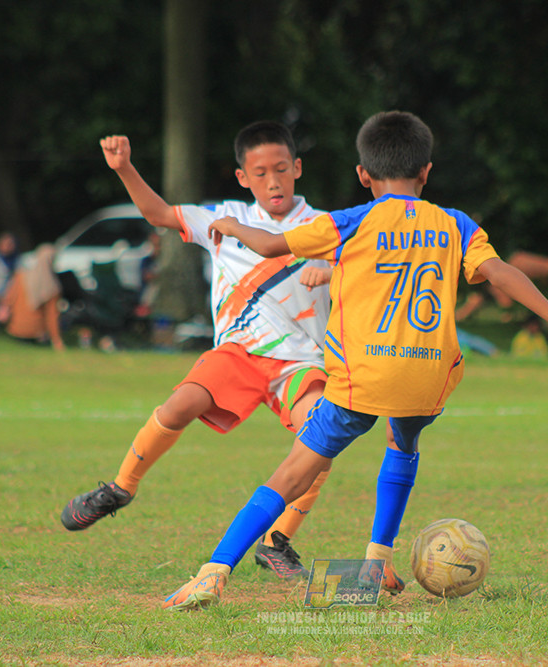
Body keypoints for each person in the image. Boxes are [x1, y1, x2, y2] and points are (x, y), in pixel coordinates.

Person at [163, 110, 548, 610]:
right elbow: (500, 272)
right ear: (426, 171)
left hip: (363, 379)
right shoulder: (455, 224)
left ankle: (214, 572)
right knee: (402, 441)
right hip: (427, 378)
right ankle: (377, 561)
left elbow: (272, 244)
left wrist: (231, 225)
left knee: (293, 472)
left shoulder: (350, 221)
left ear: (363, 175)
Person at [60, 122, 355, 580]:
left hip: (300, 361)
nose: (272, 181)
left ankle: (278, 541)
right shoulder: (225, 214)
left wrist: (332, 272)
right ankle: (121, 487)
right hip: (237, 352)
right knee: (179, 404)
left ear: (297, 168)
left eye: (281, 169)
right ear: (243, 177)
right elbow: (158, 213)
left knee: (321, 438)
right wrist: (124, 168)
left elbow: (363, 272)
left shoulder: (325, 227)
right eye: (260, 173)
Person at [0, 244, 65, 351]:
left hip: (15, 331)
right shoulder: (52, 287)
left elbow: (8, 299)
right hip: (37, 334)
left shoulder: (20, 276)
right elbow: (52, 316)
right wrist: (57, 340)